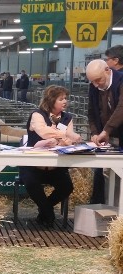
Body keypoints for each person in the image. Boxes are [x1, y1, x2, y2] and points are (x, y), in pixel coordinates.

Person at [19, 85, 81, 227]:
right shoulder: (37, 115)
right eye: (61, 99)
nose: (65, 101)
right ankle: (48, 212)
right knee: (31, 183)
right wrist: (65, 136)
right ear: (51, 100)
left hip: (56, 166)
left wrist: (64, 138)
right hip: (33, 166)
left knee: (67, 186)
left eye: (66, 98)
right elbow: (43, 132)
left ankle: (44, 209)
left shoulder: (67, 118)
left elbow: (68, 142)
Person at [88, 59, 123, 204]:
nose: (96, 85)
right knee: (102, 170)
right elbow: (91, 111)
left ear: (107, 70)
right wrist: (95, 132)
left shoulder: (121, 81)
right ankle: (102, 206)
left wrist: (107, 130)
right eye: (92, 82)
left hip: (118, 132)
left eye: (98, 80)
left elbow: (122, 108)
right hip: (107, 136)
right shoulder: (94, 86)